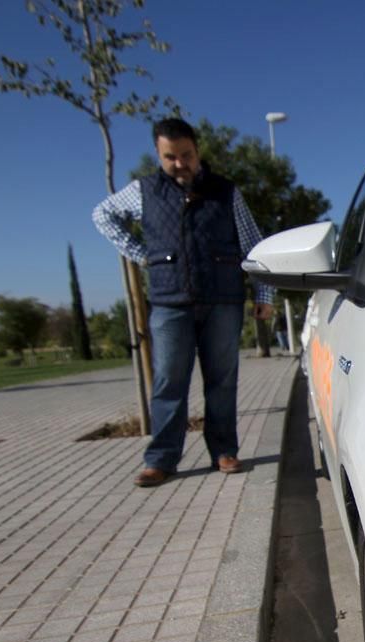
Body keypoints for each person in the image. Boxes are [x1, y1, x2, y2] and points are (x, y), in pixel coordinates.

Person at [92, 118, 273, 488]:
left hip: (223, 298)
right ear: (158, 155)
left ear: (198, 151)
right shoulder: (145, 190)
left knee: (222, 381)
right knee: (168, 382)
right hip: (169, 301)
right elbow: (102, 215)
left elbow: (252, 243)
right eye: (169, 157)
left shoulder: (225, 191)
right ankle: (161, 459)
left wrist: (265, 294)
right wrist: (143, 254)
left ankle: (224, 450)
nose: (179, 163)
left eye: (186, 155)